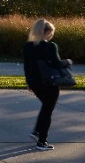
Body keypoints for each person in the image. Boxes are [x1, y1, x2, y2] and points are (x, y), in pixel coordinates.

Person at [22, 18, 71, 151]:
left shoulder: (28, 46)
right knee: (47, 111)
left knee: (45, 107)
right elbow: (57, 63)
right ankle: (42, 141)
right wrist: (68, 62)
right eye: (51, 32)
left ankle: (37, 132)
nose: (51, 35)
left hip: (34, 82)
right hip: (49, 82)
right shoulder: (50, 46)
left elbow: (27, 66)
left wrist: (28, 82)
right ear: (47, 32)